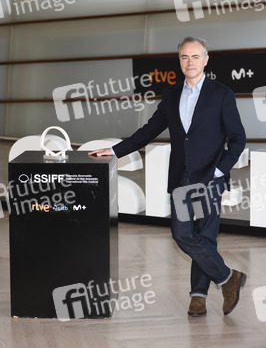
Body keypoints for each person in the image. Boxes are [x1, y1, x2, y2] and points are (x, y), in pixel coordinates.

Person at [88, 36, 247, 317]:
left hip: (209, 179)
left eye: (196, 57)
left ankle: (197, 296)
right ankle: (227, 277)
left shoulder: (222, 94)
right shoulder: (172, 94)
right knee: (182, 234)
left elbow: (237, 139)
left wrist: (219, 171)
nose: (190, 62)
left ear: (206, 60)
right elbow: (149, 131)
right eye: (185, 57)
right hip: (183, 178)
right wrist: (114, 150)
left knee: (204, 236)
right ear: (180, 61)